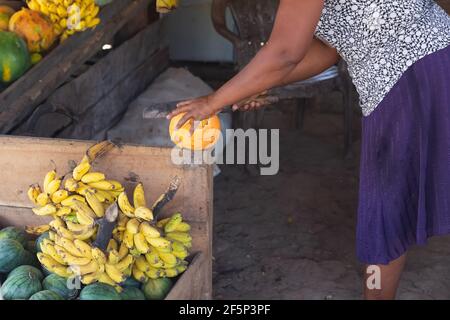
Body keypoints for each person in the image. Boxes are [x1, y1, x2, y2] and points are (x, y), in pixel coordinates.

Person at [167, 0, 450, 299]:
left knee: (385, 209)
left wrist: (213, 102)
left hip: (408, 75)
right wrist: (256, 86)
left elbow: (285, 53)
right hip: (425, 65)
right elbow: (329, 49)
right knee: (391, 204)